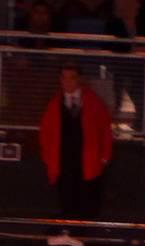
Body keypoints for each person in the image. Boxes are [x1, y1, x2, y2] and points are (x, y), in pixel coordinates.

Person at [39, 64, 113, 223]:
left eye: (71, 78)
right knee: (66, 201)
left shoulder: (93, 102)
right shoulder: (54, 104)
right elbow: (46, 133)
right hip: (63, 161)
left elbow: (105, 130)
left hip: (87, 161)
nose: (67, 82)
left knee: (87, 203)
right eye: (64, 78)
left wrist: (104, 157)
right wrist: (48, 158)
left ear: (79, 79)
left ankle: (83, 233)